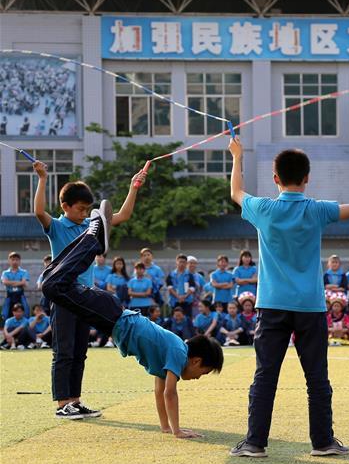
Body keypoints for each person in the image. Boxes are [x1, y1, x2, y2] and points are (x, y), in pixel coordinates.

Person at [227, 135, 349, 458]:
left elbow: (235, 192)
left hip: (271, 306)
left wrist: (237, 156)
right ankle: (323, 442)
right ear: (307, 178)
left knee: (265, 374)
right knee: (316, 376)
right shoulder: (315, 210)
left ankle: (255, 442)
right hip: (310, 307)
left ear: (275, 179)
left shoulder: (263, 209)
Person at [38, 204, 222, 435]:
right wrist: (178, 431)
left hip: (112, 318)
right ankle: (93, 236)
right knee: (53, 286)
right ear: (196, 360)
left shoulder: (169, 357)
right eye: (203, 373)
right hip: (113, 316)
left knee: (56, 284)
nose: (197, 378)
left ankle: (88, 238)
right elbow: (170, 394)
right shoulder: (178, 353)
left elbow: (159, 391)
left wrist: (165, 428)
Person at [33, 159, 145, 420]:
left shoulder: (89, 227)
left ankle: (75, 400)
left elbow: (123, 215)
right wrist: (41, 179)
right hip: (63, 295)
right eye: (80, 209)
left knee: (81, 351)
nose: (85, 214)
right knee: (64, 350)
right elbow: (39, 212)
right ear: (65, 207)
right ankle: (62, 404)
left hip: (85, 297)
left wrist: (134, 187)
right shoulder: (58, 227)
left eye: (87, 210)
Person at [2, 252, 30, 320]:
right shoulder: (5, 272)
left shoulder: (24, 272)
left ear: (19, 261)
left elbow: (25, 283)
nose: (15, 261)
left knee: (26, 310)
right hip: (9, 294)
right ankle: (6, 326)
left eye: (17, 260)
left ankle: (25, 326)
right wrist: (20, 282)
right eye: (13, 259)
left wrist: (10, 282)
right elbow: (5, 282)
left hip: (20, 294)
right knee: (5, 313)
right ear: (9, 261)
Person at [166, 254, 194, 320]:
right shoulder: (171, 275)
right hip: (175, 302)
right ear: (176, 262)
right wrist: (178, 297)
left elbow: (192, 288)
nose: (182, 264)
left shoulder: (190, 275)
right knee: (174, 319)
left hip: (187, 302)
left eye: (184, 262)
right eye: (180, 262)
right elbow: (170, 288)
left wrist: (184, 296)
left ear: (186, 263)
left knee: (187, 319)